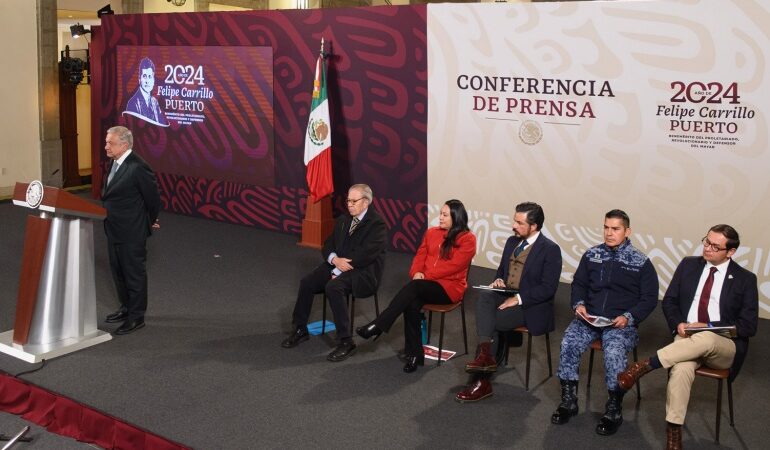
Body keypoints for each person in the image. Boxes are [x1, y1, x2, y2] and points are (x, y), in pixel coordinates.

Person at [616, 224, 758, 449]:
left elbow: (748, 325)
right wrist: (678, 324)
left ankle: (645, 365)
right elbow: (670, 300)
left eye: (715, 246)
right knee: (681, 369)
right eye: (706, 241)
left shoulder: (744, 279)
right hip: (686, 338)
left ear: (730, 252)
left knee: (707, 338)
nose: (708, 248)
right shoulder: (689, 265)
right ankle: (674, 435)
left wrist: (709, 326)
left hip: (723, 345)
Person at [551, 209, 658, 436]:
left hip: (619, 324)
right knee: (568, 342)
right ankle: (569, 401)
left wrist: (628, 317)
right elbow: (578, 284)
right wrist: (579, 305)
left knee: (613, 352)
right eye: (606, 228)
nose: (609, 233)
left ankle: (614, 408)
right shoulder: (592, 255)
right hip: (589, 319)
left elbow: (649, 299)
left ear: (627, 231)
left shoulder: (641, 262)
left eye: (615, 229)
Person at [455, 202, 562, 402]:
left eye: (519, 223)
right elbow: (502, 270)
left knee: (494, 321)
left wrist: (518, 299)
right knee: (485, 296)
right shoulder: (512, 242)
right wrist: (498, 280)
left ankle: (480, 380)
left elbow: (548, 289)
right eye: (514, 220)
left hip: (530, 304)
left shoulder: (550, 250)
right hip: (506, 292)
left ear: (534, 226)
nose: (514, 225)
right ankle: (486, 357)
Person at [356, 199, 477, 373]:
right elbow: (419, 257)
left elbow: (454, 267)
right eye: (440, 213)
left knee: (413, 289)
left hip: (449, 288)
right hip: (424, 284)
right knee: (411, 302)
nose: (440, 217)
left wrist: (424, 277)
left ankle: (379, 324)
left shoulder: (467, 239)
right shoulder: (431, 233)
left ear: (456, 217)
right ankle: (414, 354)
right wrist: (416, 273)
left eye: (445, 215)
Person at [281, 184, 387, 362]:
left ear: (366, 202)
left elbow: (366, 254)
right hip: (338, 263)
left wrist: (339, 267)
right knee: (307, 282)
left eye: (354, 201)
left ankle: (346, 341)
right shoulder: (344, 219)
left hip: (363, 272)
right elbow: (329, 243)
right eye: (348, 201)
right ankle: (300, 329)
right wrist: (333, 260)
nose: (350, 204)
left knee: (333, 287)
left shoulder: (377, 224)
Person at [102, 126, 161, 335]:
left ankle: (137, 317)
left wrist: (150, 220)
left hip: (132, 231)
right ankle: (126, 308)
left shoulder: (138, 167)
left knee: (133, 274)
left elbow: (153, 199)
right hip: (113, 228)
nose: (106, 146)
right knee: (118, 272)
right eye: (107, 142)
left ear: (124, 145)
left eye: (110, 143)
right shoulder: (115, 162)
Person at [124, 57, 169, 126]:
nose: (147, 81)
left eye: (150, 76)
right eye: (144, 76)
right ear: (139, 79)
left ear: (153, 80)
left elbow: (162, 125)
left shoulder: (154, 102)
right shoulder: (133, 103)